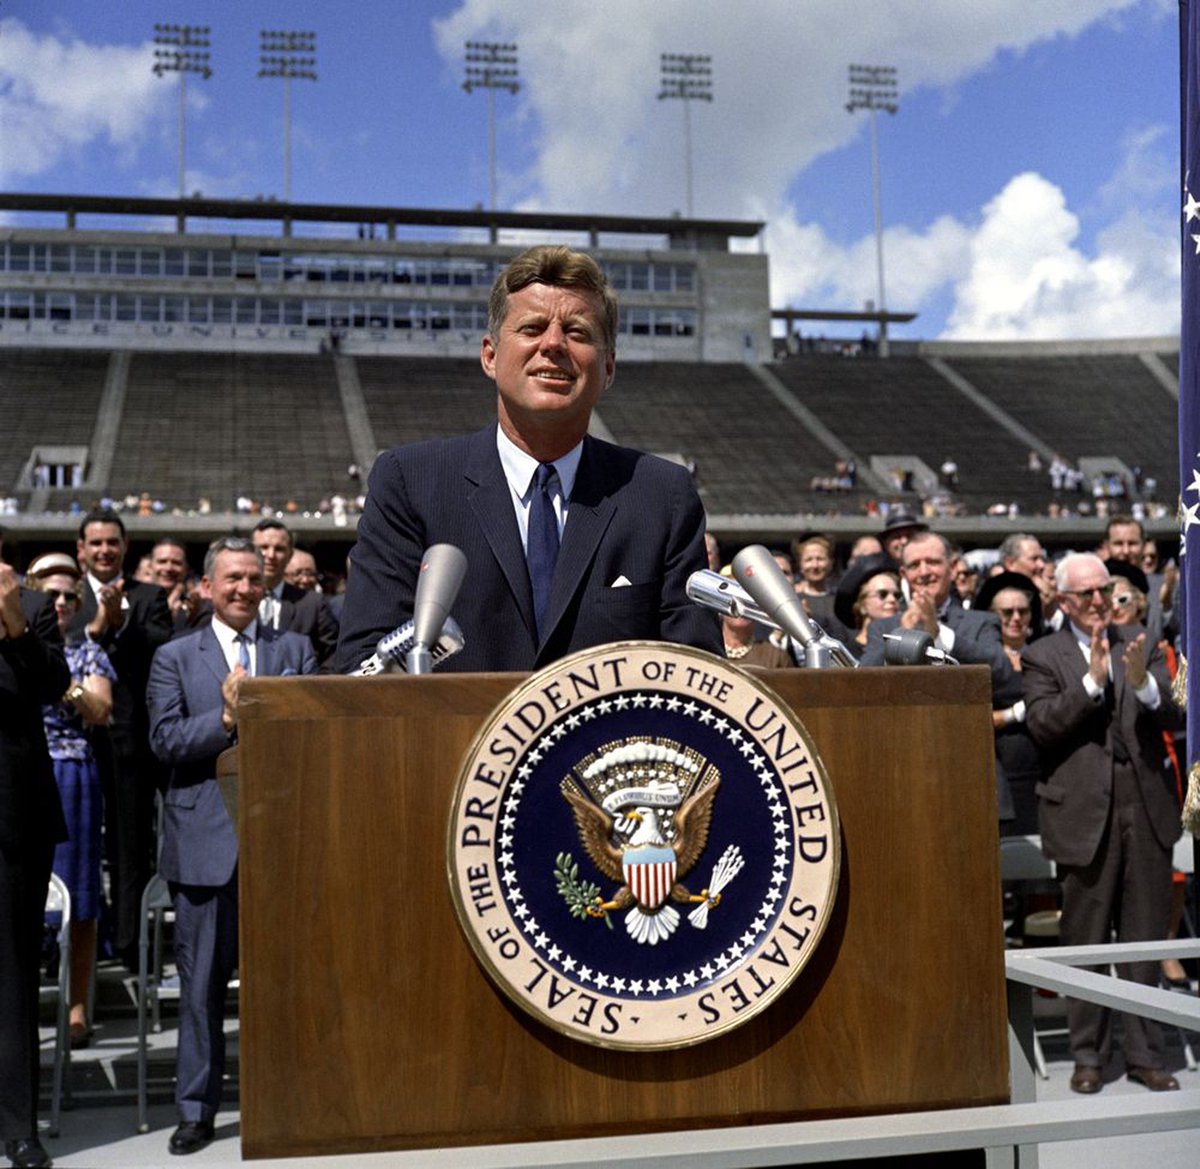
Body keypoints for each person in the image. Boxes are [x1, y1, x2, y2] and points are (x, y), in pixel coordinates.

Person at [335, 245, 721, 673]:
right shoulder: (410, 482)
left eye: (577, 332)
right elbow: (363, 664)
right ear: (490, 355)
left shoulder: (660, 495)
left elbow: (697, 672)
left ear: (608, 369)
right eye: (532, 327)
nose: (553, 343)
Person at [147, 537, 316, 1156]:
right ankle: (196, 1110)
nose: (245, 588)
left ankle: (289, 1102)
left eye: (253, 578)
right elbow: (163, 741)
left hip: (281, 842)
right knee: (200, 991)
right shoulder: (174, 656)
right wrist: (224, 720)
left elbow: (315, 734)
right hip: (204, 847)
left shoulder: (293, 651)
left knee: (286, 986)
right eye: (232, 580)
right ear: (207, 588)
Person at [1022, 553, 1183, 1095]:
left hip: (1146, 807)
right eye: (1087, 594)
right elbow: (1043, 726)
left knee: (1141, 937)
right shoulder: (1043, 654)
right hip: (1084, 813)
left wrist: (1141, 683)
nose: (1099, 602)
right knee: (1086, 941)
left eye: (1106, 592)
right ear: (1063, 600)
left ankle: (1145, 1054)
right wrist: (1091, 683)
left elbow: (1178, 715)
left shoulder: (1141, 640)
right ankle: (1088, 1055)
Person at [71, 511, 172, 971]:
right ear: (81, 549)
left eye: (112, 542)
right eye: (95, 543)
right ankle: (72, 951)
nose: (104, 550)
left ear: (125, 547)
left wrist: (119, 622)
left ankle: (131, 948)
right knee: (78, 849)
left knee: (131, 849)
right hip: (73, 748)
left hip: (130, 744)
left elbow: (159, 646)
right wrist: (98, 622)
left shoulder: (150, 596)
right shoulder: (62, 597)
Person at [27, 553, 115, 1050]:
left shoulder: (86, 653)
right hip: (21, 770)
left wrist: (61, 682)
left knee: (79, 896)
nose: (59, 603)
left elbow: (101, 708)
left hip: (73, 772)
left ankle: (76, 1004)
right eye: (50, 594)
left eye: (68, 596)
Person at [0, 550, 69, 1169]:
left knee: (13, 977)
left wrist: (14, 626)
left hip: (12, 818)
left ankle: (18, 1126)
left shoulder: (34, 607)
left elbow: (53, 685)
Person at [860, 531, 1006, 680]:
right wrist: (902, 635)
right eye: (914, 565)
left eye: (933, 562)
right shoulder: (882, 628)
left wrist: (939, 634)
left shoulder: (982, 623)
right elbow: (861, 680)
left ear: (953, 568)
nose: (924, 572)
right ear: (903, 574)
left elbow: (1003, 675)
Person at [975, 571, 1042, 834]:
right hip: (1000, 773)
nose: (1016, 618)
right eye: (1006, 612)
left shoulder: (1044, 653)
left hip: (1040, 774)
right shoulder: (980, 660)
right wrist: (1014, 714)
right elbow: (973, 719)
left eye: (1023, 611)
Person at [251, 520, 338, 670]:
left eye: (279, 549)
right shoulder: (235, 601)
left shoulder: (313, 604)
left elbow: (333, 656)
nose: (270, 555)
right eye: (263, 547)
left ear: (290, 554)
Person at [832, 553, 902, 661]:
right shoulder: (845, 653)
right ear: (862, 606)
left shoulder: (903, 649)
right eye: (882, 594)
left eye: (897, 595)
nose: (892, 600)